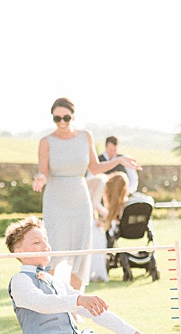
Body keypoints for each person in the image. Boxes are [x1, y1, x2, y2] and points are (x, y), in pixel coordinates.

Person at [4, 216, 155, 334]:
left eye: (46, 240)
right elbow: (41, 302)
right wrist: (79, 299)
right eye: (37, 242)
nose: (45, 245)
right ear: (18, 252)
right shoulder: (20, 280)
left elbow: (96, 313)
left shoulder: (57, 281)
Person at [34, 98, 139, 292]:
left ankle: (75, 302)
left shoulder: (85, 137)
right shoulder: (45, 142)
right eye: (57, 118)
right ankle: (49, 299)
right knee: (53, 247)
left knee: (81, 248)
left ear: (73, 116)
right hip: (55, 199)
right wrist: (40, 178)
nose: (62, 121)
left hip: (80, 198)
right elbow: (44, 172)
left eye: (66, 117)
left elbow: (95, 167)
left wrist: (120, 160)